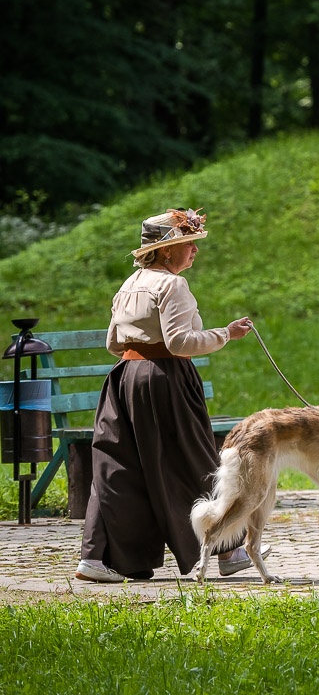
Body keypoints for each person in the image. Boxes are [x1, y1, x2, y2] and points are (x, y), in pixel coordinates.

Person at [76, 208, 258, 583]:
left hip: (124, 379)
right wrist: (225, 334)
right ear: (164, 252)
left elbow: (113, 343)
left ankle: (98, 558)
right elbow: (178, 343)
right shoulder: (172, 286)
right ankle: (228, 552)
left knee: (118, 466)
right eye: (186, 243)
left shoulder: (128, 285)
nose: (193, 249)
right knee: (194, 459)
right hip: (166, 379)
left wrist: (138, 358)